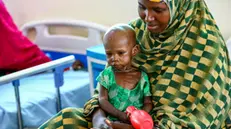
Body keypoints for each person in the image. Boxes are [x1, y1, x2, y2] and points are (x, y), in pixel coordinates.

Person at [39, 0, 231, 129]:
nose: (147, 18)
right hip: (117, 119)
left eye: (158, 10)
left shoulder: (206, 48)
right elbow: (104, 90)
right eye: (142, 6)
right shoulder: (135, 33)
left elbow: (203, 119)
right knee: (68, 118)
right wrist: (99, 118)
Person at [94, 24, 152, 128]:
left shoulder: (142, 78)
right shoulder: (107, 75)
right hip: (113, 120)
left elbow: (148, 102)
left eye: (120, 53)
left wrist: (139, 115)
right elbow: (102, 100)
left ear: (134, 51)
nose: (114, 58)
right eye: (109, 54)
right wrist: (119, 115)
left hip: (136, 122)